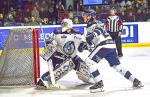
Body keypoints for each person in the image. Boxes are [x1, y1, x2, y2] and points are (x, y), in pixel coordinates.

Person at [81, 11, 144, 93]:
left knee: (89, 62)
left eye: (85, 15)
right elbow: (92, 42)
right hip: (111, 45)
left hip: (103, 45)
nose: (83, 16)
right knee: (117, 67)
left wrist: (91, 36)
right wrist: (86, 46)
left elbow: (99, 30)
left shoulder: (93, 23)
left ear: (90, 16)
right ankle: (135, 81)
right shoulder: (92, 24)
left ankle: (99, 84)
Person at [36, 18, 94, 88]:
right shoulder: (57, 33)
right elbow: (49, 45)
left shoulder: (79, 34)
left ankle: (88, 77)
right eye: (63, 24)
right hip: (59, 57)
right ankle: (44, 80)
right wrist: (48, 44)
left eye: (66, 24)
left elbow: (81, 49)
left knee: (87, 73)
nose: (64, 26)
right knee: (61, 69)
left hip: (73, 57)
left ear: (70, 25)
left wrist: (84, 46)